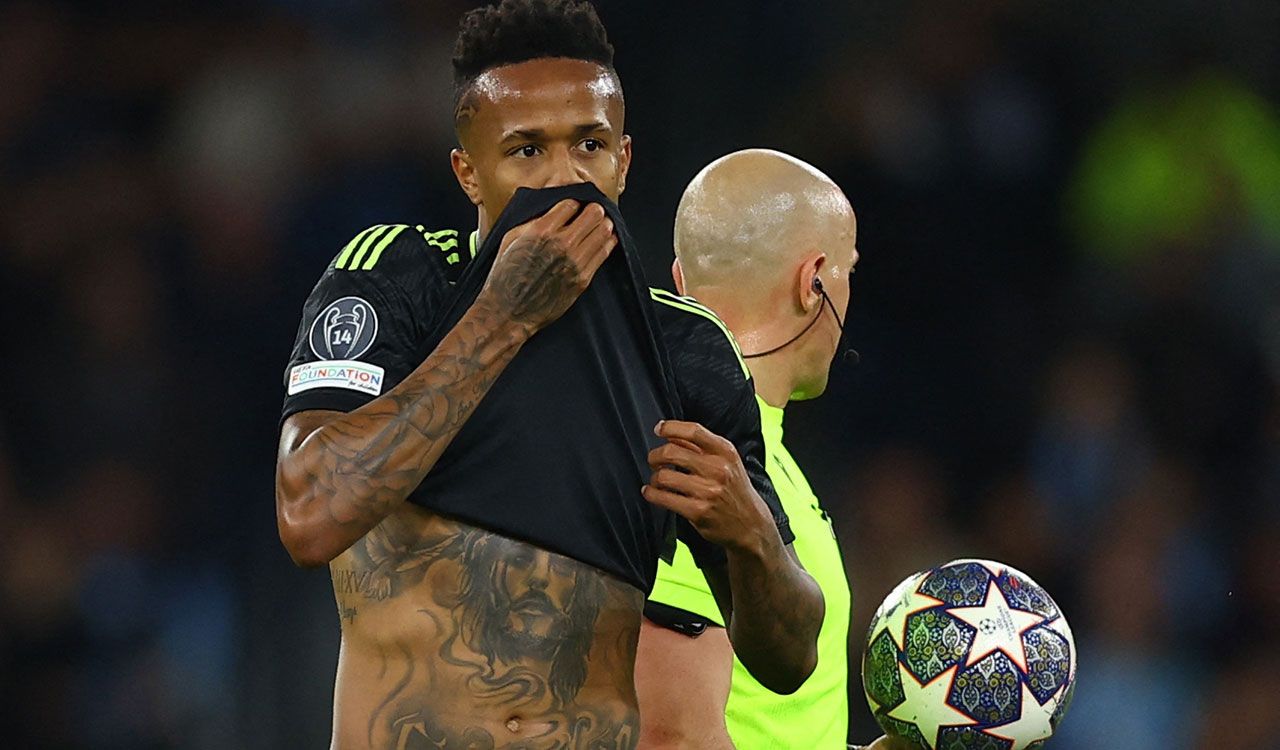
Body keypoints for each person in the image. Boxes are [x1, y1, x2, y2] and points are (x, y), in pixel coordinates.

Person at [273, 2, 822, 748]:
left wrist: (753, 535)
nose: (566, 178)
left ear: (624, 160)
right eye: (526, 151)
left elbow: (789, 660)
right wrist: (504, 315)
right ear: (469, 173)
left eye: (590, 145)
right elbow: (309, 515)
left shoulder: (683, 347)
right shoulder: (400, 279)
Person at [635, 150, 901, 750]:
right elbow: (668, 735)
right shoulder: (686, 452)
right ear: (814, 282)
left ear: (681, 281)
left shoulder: (765, 455)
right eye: (847, 273)